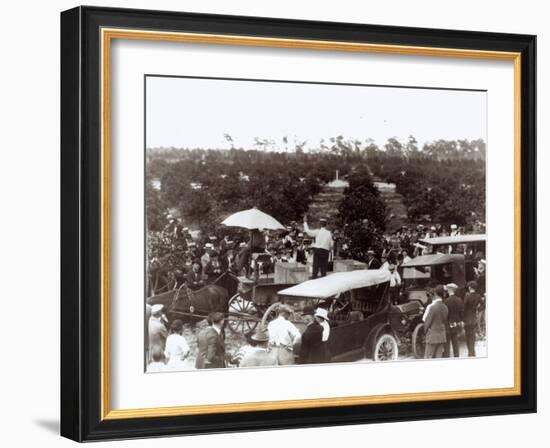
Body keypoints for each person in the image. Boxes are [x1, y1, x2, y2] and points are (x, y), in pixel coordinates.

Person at [422, 285, 448, 359]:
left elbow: (426, 323)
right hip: (442, 336)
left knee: (428, 357)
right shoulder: (445, 307)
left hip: (432, 336)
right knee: (438, 358)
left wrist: (425, 332)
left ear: (435, 294)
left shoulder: (432, 307)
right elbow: (444, 320)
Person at [443, 283, 464, 358]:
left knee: (447, 343)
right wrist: (461, 321)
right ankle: (456, 356)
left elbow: (445, 314)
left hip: (448, 324)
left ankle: (447, 357)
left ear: (449, 290)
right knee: (455, 341)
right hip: (456, 323)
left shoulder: (446, 301)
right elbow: (461, 312)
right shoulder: (459, 300)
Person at [463, 280, 482, 357]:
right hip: (474, 318)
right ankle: (472, 352)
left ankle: (470, 352)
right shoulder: (478, 296)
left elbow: (464, 308)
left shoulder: (467, 297)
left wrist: (463, 318)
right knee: (473, 336)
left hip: (467, 319)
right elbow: (483, 305)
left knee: (468, 336)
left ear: (470, 287)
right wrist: (478, 309)